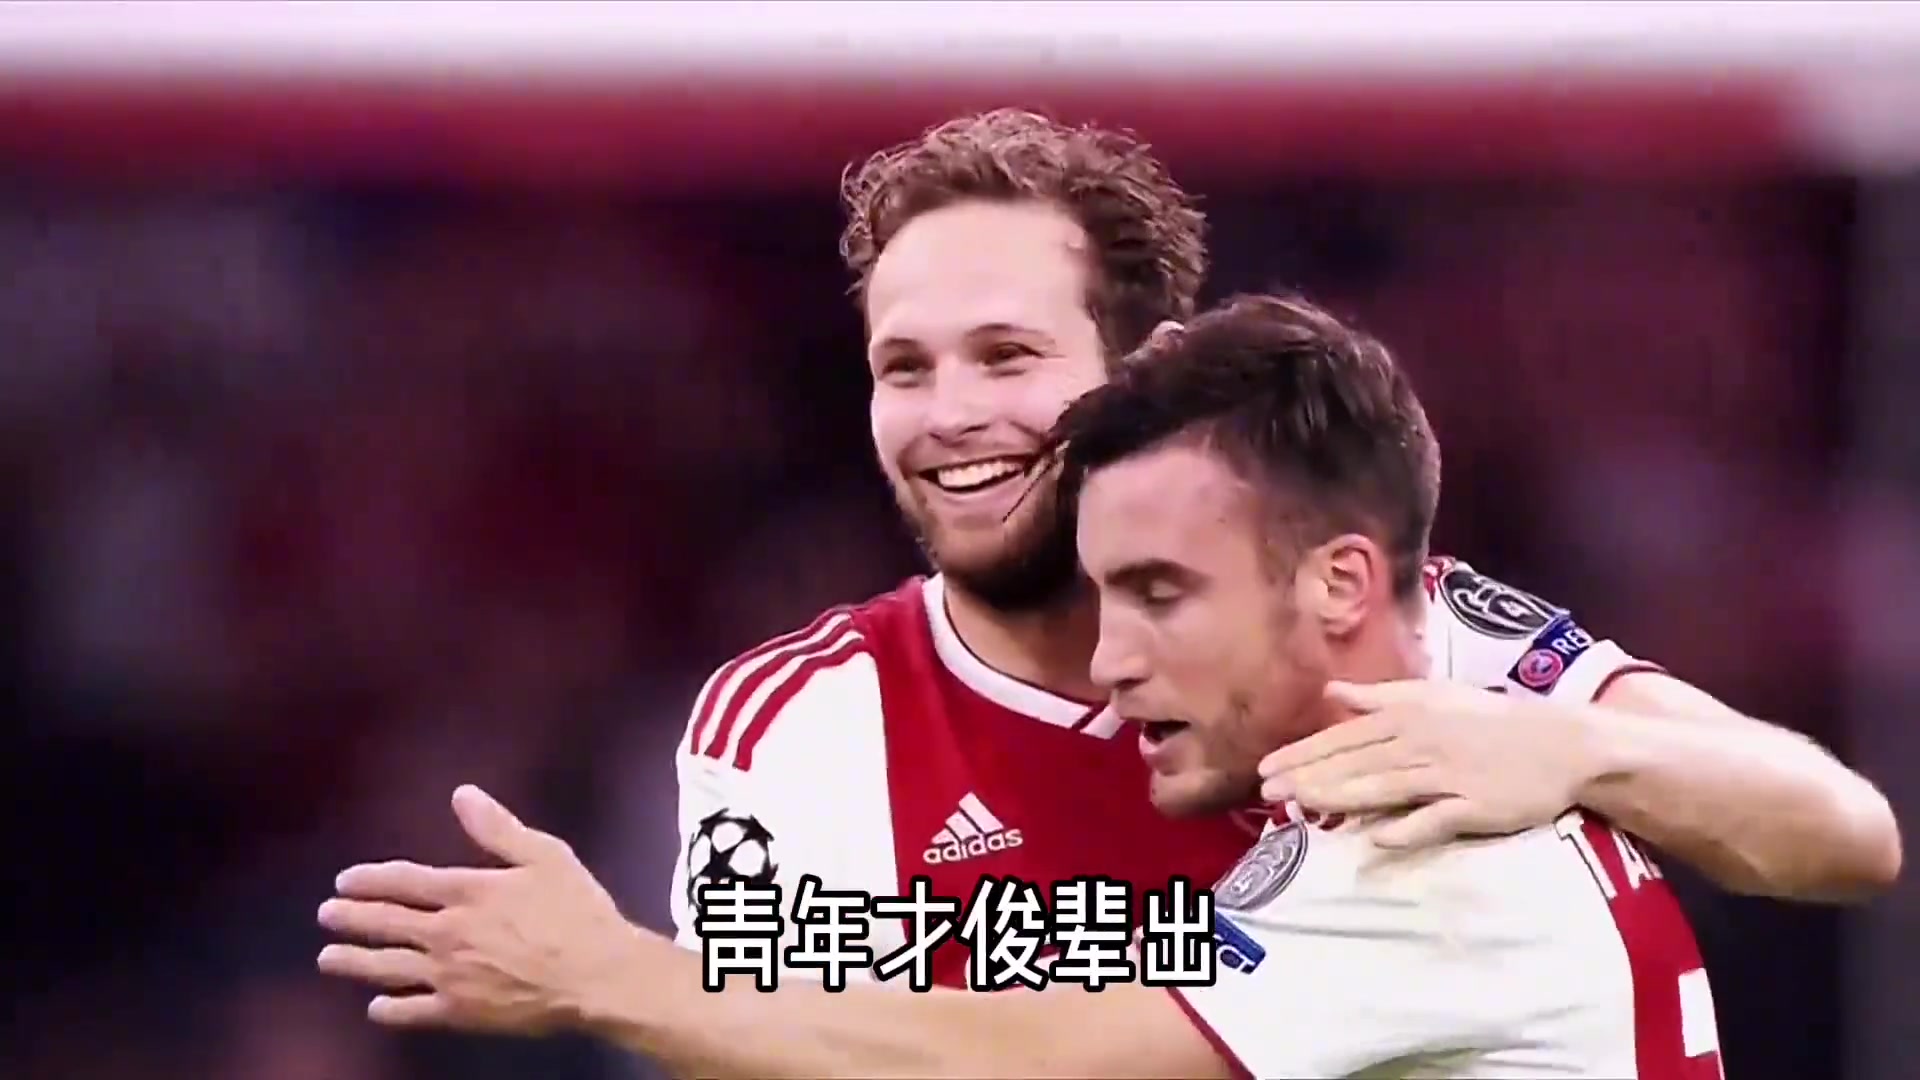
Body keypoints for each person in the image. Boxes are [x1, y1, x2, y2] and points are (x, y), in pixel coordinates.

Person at [314, 110, 1898, 1025]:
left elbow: (1839, 833)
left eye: (1008, 356)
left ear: (1144, 374)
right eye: (905, 367)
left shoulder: (1394, 634)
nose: (950, 416)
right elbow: (803, 1050)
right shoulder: (791, 722)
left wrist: (1580, 751)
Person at [321, 295, 1731, 1078]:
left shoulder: (1431, 861)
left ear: (1336, 585)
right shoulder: (1383, 817)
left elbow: (1022, 1055)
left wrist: (609, 974)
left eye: (1165, 594)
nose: (1114, 660)